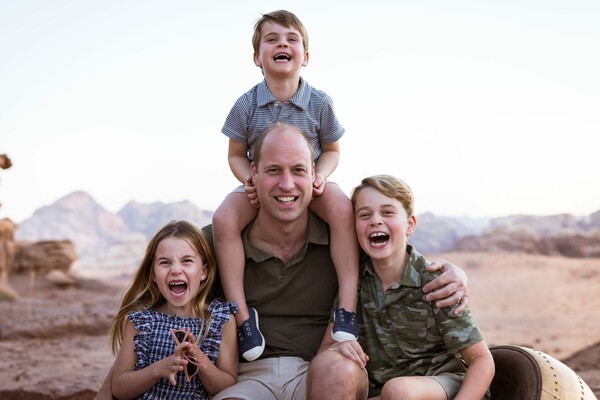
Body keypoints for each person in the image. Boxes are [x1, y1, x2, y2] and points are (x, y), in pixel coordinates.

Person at [94, 123, 469, 400]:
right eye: (273, 170)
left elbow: (395, 254)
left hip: (320, 372)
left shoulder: (343, 239)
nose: (286, 184)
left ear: (315, 178)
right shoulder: (218, 245)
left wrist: (456, 273)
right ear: (253, 175)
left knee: (338, 369)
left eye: (298, 171)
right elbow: (155, 311)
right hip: (245, 379)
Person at [212, 9, 360, 362]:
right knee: (223, 219)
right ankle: (243, 317)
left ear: (305, 57)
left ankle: (348, 307)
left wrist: (320, 174)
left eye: (291, 39)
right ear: (256, 57)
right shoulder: (246, 104)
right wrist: (246, 178)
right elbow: (234, 154)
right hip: (263, 185)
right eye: (272, 39)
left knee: (342, 208)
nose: (283, 44)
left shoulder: (320, 102)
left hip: (309, 182)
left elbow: (332, 149)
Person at [309, 175, 495, 400]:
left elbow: (482, 361)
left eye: (387, 212)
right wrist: (338, 349)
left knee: (399, 390)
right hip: (385, 392)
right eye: (365, 215)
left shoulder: (436, 282)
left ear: (410, 225)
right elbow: (325, 352)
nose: (376, 220)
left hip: (443, 384)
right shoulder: (354, 283)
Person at [109, 220, 238, 399]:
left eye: (187, 261)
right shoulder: (142, 321)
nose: (176, 269)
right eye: (165, 262)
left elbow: (225, 385)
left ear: (204, 271)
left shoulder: (220, 320)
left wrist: (197, 358)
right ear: (153, 274)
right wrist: (158, 369)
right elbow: (119, 389)